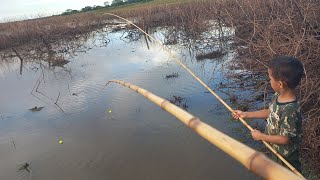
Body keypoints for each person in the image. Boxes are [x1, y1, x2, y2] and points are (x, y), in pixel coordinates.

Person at [232, 56, 304, 172]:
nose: (269, 81)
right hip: (275, 151)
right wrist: (246, 114)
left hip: (286, 158)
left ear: (280, 84)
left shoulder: (290, 110)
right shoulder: (278, 96)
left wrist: (261, 136)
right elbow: (270, 112)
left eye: (270, 78)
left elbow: (285, 139)